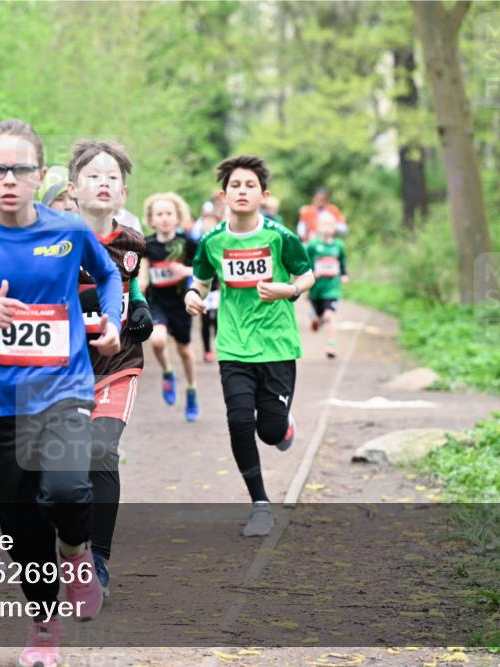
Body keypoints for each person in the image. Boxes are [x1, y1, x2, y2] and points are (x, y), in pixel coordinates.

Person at [0, 119, 122, 667]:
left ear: (40, 175)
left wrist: (109, 321)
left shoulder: (69, 231)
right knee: (20, 529)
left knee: (66, 488)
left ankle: (78, 553)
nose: (8, 178)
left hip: (64, 388)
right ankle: (44, 622)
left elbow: (107, 276)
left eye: (20, 168)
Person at [184, 155, 314, 537]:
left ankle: (283, 425)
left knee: (270, 433)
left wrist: (287, 290)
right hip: (234, 346)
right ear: (223, 196)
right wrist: (194, 295)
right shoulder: (211, 241)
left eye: (250, 186)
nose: (242, 191)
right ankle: (260, 504)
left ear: (264, 195)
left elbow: (305, 276)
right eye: (235, 186)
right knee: (240, 422)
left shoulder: (280, 236)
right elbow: (202, 281)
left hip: (276, 345)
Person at [65, 138, 152, 600]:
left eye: (112, 177)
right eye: (93, 175)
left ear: (123, 193)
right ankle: (66, 550)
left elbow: (131, 288)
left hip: (117, 365)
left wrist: (139, 309)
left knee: (100, 451)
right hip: (59, 371)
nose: (103, 183)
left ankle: (97, 558)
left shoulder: (132, 243)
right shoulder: (49, 240)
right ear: (72, 188)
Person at [139, 192, 200, 422]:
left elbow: (204, 271)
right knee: (158, 340)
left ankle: (192, 389)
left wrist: (186, 271)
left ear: (177, 217)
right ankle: (167, 372)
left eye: (168, 213)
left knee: (185, 351)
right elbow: (143, 275)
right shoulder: (147, 245)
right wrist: (140, 286)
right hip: (157, 303)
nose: (164, 218)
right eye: (159, 214)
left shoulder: (187, 243)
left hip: (181, 303)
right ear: (152, 220)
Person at [305, 211, 349, 359]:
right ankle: (317, 318)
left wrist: (343, 274)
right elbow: (305, 264)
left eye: (330, 224)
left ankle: (330, 344)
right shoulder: (313, 246)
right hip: (316, 289)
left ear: (335, 227)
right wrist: (311, 274)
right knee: (320, 316)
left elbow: (342, 261)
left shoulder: (338, 245)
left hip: (332, 289)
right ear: (317, 227)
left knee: (331, 315)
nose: (327, 228)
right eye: (324, 224)